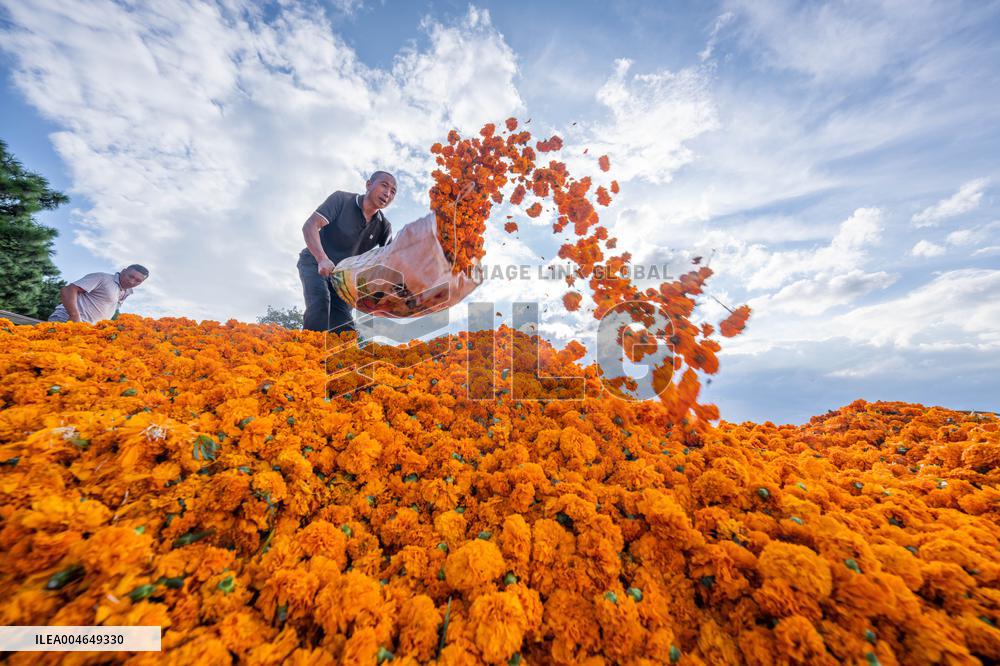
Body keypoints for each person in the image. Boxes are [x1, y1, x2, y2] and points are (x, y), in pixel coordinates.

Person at [298, 171, 395, 333]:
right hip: (315, 262)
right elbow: (310, 226)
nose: (388, 193)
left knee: (344, 325)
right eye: (384, 185)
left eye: (393, 191)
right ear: (369, 184)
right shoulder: (342, 200)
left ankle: (344, 358)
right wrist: (322, 258)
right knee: (321, 303)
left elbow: (388, 261)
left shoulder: (384, 226)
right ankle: (309, 353)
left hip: (343, 278)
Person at [48, 264, 149, 323]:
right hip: (66, 320)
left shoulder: (126, 292)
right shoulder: (102, 278)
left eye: (138, 281)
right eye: (131, 276)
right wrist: (74, 315)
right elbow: (68, 290)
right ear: (123, 271)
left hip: (87, 329)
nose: (132, 281)